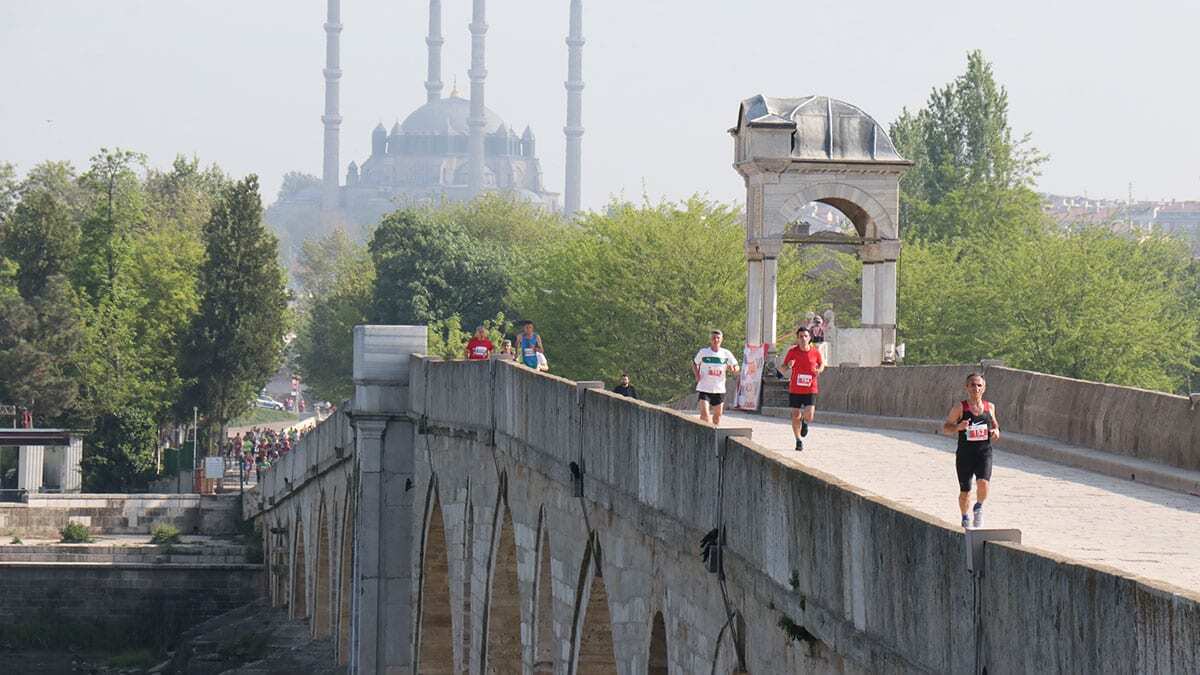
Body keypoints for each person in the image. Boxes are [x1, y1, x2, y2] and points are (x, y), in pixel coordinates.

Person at [941, 373, 1001, 528]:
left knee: (983, 483)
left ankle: (979, 507)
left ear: (984, 388)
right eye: (973, 385)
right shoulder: (960, 407)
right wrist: (957, 427)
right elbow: (946, 428)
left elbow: (995, 425)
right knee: (965, 490)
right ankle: (965, 517)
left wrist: (996, 431)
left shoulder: (990, 407)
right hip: (965, 454)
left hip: (984, 452)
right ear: (966, 387)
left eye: (979, 385)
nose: (976, 388)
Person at [780, 325, 825, 451]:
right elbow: (783, 368)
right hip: (795, 389)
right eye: (801, 337)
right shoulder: (792, 352)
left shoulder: (815, 352)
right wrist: (788, 366)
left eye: (806, 336)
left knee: (809, 415)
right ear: (797, 338)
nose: (803, 339)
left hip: (810, 388)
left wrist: (819, 370)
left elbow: (822, 364)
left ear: (810, 337)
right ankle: (798, 440)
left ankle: (804, 422)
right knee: (795, 415)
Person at [692, 330, 739, 426]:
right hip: (704, 387)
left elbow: (736, 366)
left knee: (717, 417)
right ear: (710, 339)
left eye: (718, 338)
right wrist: (697, 375)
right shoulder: (704, 352)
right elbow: (694, 363)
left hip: (719, 389)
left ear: (721, 339)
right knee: (705, 415)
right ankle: (705, 433)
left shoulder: (726, 353)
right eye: (714, 338)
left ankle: (715, 434)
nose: (716, 340)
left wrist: (734, 369)